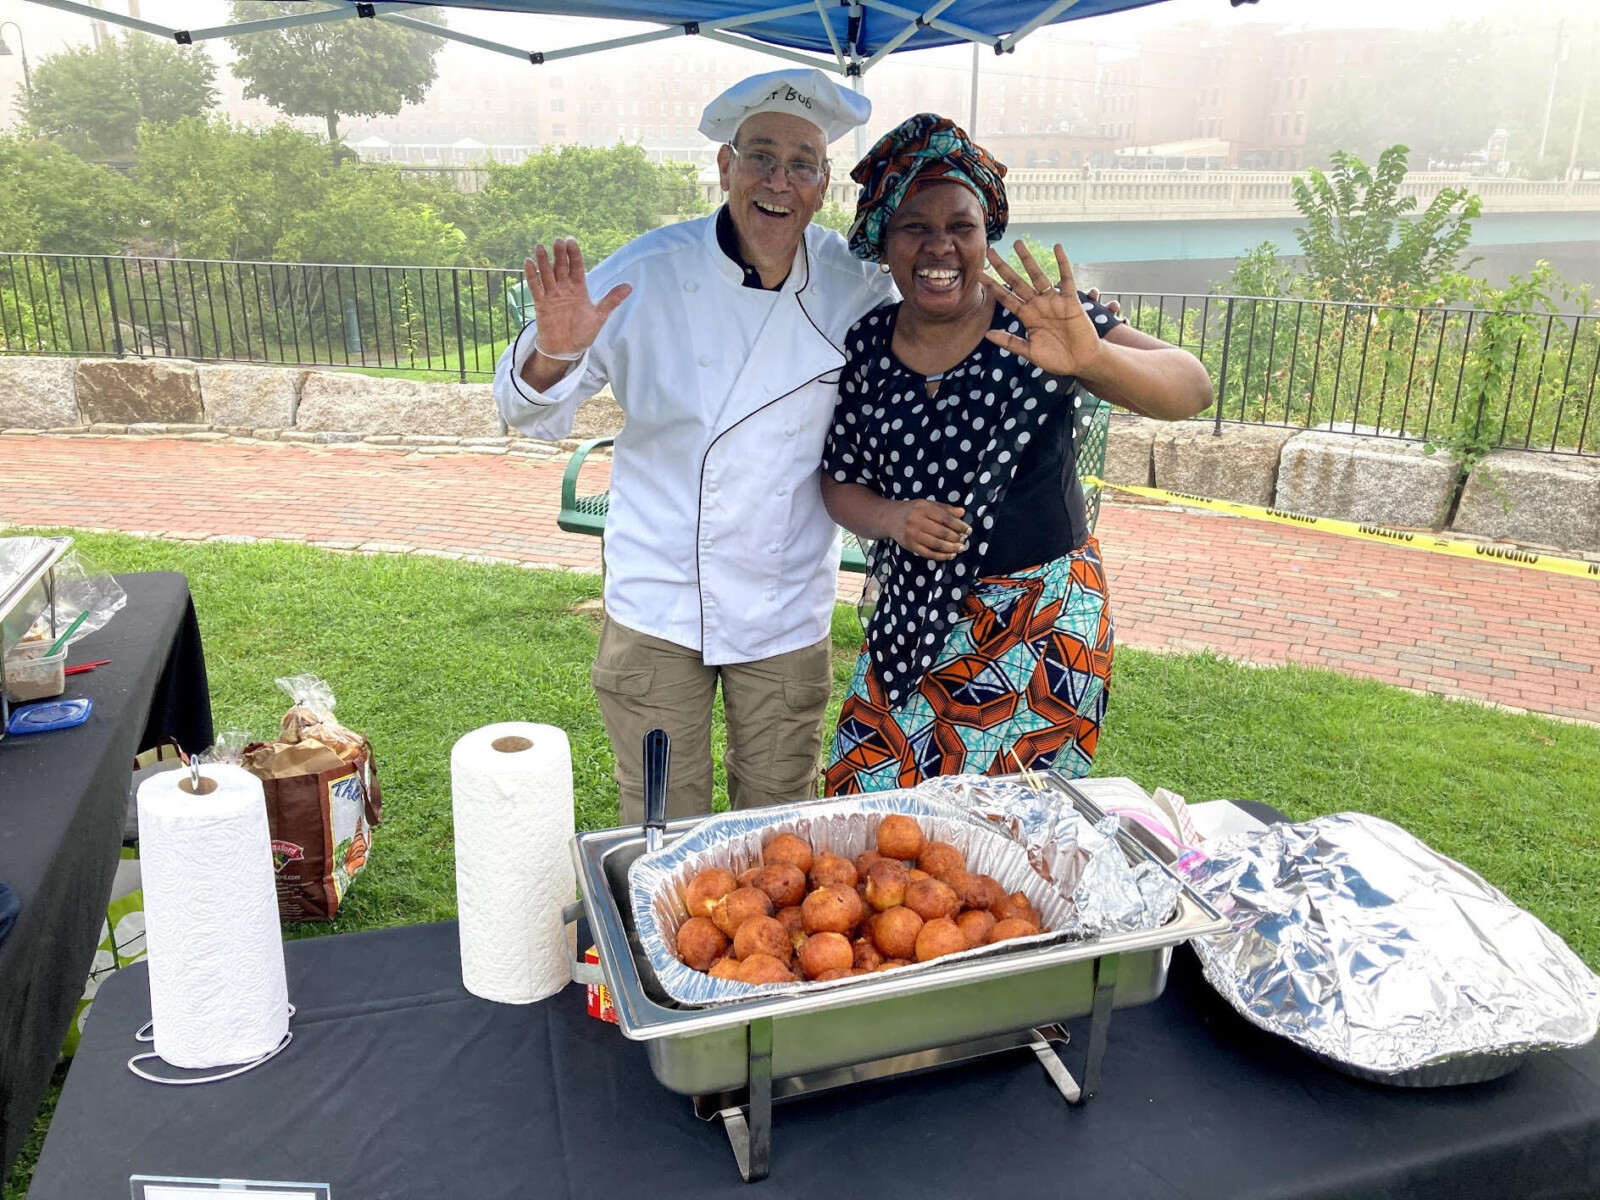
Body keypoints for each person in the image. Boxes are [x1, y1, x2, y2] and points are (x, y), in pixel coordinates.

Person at [492, 69, 897, 825]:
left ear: (822, 185)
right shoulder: (648, 271)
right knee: (657, 823)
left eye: (801, 164)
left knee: (779, 825)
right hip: (658, 597)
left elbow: (936, 340)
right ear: (724, 167)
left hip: (782, 605)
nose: (779, 180)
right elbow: (523, 407)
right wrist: (554, 351)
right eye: (760, 157)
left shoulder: (856, 285)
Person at [820, 114, 1212, 794]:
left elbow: (1191, 387)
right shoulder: (869, 345)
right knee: (861, 803)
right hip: (912, 615)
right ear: (884, 241)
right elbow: (838, 481)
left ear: (985, 234)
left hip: (1043, 622)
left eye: (961, 226)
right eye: (915, 226)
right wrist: (891, 519)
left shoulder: (1042, 315)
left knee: (1005, 830)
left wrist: (1092, 357)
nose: (939, 246)